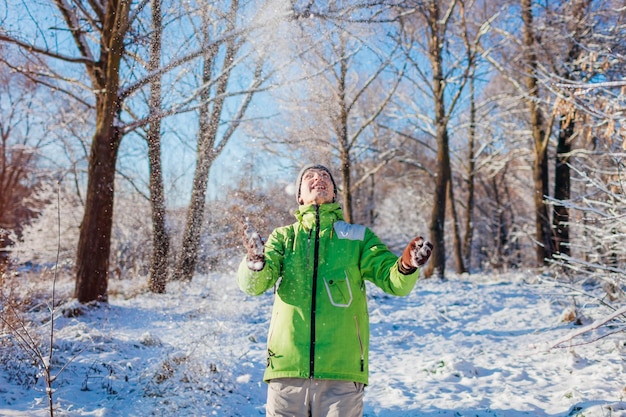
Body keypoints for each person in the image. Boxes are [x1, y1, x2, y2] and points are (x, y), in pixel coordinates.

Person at [238, 164, 433, 417]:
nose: (318, 178)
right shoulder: (283, 238)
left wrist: (406, 265)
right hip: (286, 369)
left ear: (334, 194)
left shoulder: (358, 238)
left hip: (342, 373)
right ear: (300, 196)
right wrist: (254, 261)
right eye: (309, 176)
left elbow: (392, 280)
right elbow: (254, 286)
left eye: (325, 177)